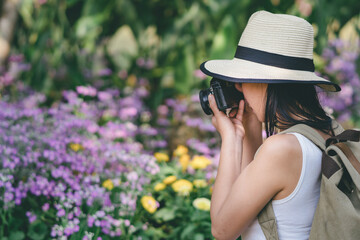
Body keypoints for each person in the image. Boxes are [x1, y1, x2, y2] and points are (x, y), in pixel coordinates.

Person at [199, 11, 341, 240]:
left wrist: (230, 139)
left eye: (242, 80)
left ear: (264, 81)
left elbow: (222, 230)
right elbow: (254, 195)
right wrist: (248, 129)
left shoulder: (281, 148)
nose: (238, 88)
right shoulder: (326, 133)